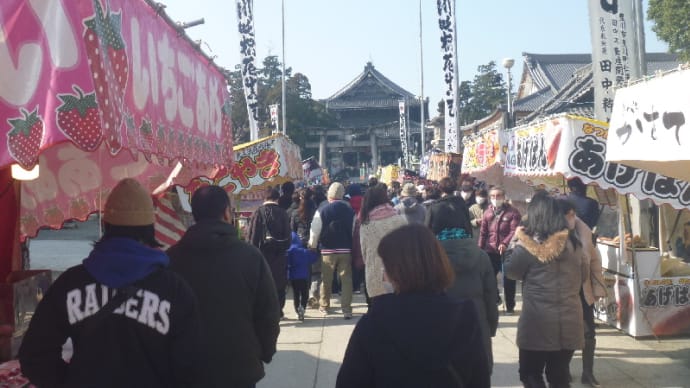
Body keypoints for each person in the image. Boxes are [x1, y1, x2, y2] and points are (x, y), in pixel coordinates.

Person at [18, 178, 202, 387]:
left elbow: (35, 355)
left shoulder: (71, 283)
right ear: (151, 229)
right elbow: (191, 367)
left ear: (106, 225)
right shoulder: (174, 290)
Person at [336, 224, 490, 388]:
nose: (383, 276)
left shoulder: (374, 323)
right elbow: (479, 380)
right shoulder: (464, 316)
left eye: (386, 267)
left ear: (399, 270)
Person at [167, 185, 281, 387]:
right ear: (227, 212)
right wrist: (264, 351)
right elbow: (269, 313)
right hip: (239, 368)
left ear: (194, 214)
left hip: (186, 370)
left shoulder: (171, 259)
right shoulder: (250, 256)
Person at [504, 191, 584, 388]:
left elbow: (510, 272)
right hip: (570, 320)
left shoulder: (527, 247)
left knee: (531, 374)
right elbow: (584, 277)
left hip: (537, 323)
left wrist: (515, 241)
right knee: (559, 375)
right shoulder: (574, 244)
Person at [439, 212, 499, 373]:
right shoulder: (481, 256)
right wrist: (491, 326)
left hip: (442, 324)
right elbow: (490, 295)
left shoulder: (432, 257)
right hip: (477, 320)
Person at [559, 199, 606, 388]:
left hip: (582, 290)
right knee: (564, 334)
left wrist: (598, 287)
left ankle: (588, 373)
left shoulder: (583, 229)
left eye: (573, 214)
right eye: (568, 214)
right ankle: (562, 370)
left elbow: (594, 260)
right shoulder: (549, 232)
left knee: (588, 333)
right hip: (561, 293)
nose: (572, 218)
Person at [354, 183, 408, 304]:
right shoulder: (400, 220)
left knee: (379, 311)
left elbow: (364, 253)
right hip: (401, 273)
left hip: (375, 274)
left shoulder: (366, 224)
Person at [308, 182, 355, 319]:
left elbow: (315, 230)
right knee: (346, 279)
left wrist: (313, 245)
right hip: (345, 249)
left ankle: (324, 306)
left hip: (327, 250)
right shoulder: (349, 210)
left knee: (326, 279)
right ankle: (346, 309)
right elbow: (353, 230)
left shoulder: (322, 210)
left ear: (329, 194)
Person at [248, 187, 291, 318]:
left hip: (262, 255)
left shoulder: (258, 213)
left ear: (264, 198)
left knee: (263, 284)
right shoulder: (283, 213)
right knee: (279, 284)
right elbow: (287, 237)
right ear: (277, 199)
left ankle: (265, 311)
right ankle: (279, 310)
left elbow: (253, 235)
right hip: (279, 255)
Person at [478, 185, 522, 313]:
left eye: (498, 196)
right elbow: (483, 233)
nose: (495, 198)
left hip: (508, 251)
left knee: (509, 280)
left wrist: (505, 243)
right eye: (493, 196)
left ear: (504, 197)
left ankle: (510, 305)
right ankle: (496, 299)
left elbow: (514, 231)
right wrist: (479, 249)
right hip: (490, 250)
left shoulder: (513, 213)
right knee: (488, 278)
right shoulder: (487, 212)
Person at [425, 177, 473, 241]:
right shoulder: (462, 205)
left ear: (440, 189)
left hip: (440, 245)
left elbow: (426, 229)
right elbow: (468, 226)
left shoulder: (434, 207)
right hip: (461, 244)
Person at [287, 231, 318, 321]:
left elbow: (286, 263)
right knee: (305, 294)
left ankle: (297, 310)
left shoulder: (289, 252)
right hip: (304, 277)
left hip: (293, 278)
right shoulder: (304, 251)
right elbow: (313, 258)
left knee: (296, 294)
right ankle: (303, 307)